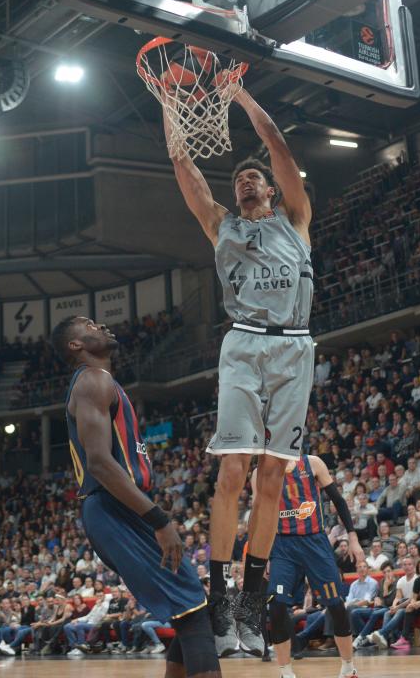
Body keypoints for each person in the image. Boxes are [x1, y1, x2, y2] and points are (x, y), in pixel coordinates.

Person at [167, 84, 314, 657]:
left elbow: (274, 141)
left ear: (274, 190)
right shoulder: (221, 226)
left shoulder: (296, 219)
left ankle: (253, 606)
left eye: (253, 179)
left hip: (295, 349)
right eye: (237, 181)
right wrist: (168, 99)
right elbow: (184, 163)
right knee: (233, 471)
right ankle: (221, 601)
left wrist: (240, 95)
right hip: (244, 347)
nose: (243, 182)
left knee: (272, 480)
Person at [51, 316, 222, 677]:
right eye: (89, 325)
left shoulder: (102, 383)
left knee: (192, 611)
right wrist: (158, 519)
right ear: (75, 345)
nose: (102, 327)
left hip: (117, 508)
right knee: (194, 615)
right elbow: (98, 461)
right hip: (115, 509)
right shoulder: (92, 381)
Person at [257, 454, 364, 678]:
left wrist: (353, 538)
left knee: (335, 604)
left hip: (314, 542)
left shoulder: (312, 463)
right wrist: (263, 553)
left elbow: (339, 501)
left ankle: (348, 666)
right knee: (276, 606)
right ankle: (286, 673)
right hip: (282, 546)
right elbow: (260, 515)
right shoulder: (260, 472)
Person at [369, 557, 417, 648]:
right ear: (402, 567)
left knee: (397, 611)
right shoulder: (401, 580)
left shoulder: (417, 578)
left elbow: (412, 598)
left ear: (414, 566)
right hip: (403, 605)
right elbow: (397, 597)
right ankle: (385, 640)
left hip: (415, 606)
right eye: (405, 565)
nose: (407, 567)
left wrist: (397, 607)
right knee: (388, 612)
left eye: (409, 564)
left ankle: (381, 634)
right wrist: (394, 606)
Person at [351, 562, 397, 648]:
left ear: (393, 571)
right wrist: (376, 598)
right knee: (355, 612)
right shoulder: (382, 582)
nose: (387, 574)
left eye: (389, 571)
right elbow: (378, 597)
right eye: (384, 572)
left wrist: (386, 588)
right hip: (378, 608)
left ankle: (360, 638)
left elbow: (389, 602)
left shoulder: (397, 582)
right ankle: (368, 639)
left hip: (390, 609)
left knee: (376, 613)